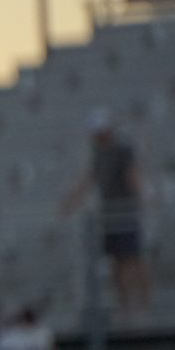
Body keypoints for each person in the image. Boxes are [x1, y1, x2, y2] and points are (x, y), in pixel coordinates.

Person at [61, 108, 151, 313]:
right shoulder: (99, 154)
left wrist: (143, 198)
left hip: (125, 212)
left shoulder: (122, 151)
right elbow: (88, 181)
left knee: (133, 259)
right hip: (111, 214)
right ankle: (126, 304)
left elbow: (132, 176)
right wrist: (70, 203)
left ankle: (143, 303)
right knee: (118, 262)